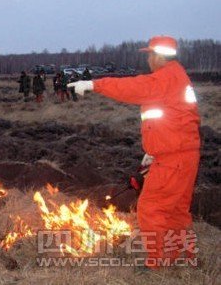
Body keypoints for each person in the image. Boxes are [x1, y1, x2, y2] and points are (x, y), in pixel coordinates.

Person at [68, 35, 201, 270]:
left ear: (160, 56)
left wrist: (94, 85)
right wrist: (153, 152)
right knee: (177, 209)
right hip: (181, 155)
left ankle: (157, 264)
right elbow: (172, 119)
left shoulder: (165, 78)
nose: (148, 59)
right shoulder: (176, 77)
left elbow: (132, 87)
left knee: (151, 207)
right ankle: (185, 256)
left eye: (150, 54)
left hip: (174, 159)